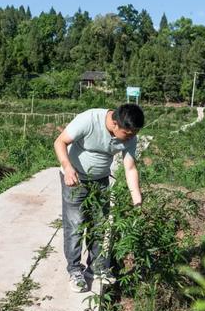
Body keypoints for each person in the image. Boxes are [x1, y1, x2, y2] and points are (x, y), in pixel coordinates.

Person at [54, 104, 144, 292]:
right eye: (127, 134)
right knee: (75, 226)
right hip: (74, 179)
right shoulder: (89, 119)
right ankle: (75, 271)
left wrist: (136, 198)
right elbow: (60, 142)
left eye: (134, 133)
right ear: (114, 123)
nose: (131, 137)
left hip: (100, 180)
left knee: (100, 225)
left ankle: (95, 268)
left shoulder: (130, 136)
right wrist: (67, 167)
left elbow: (130, 168)